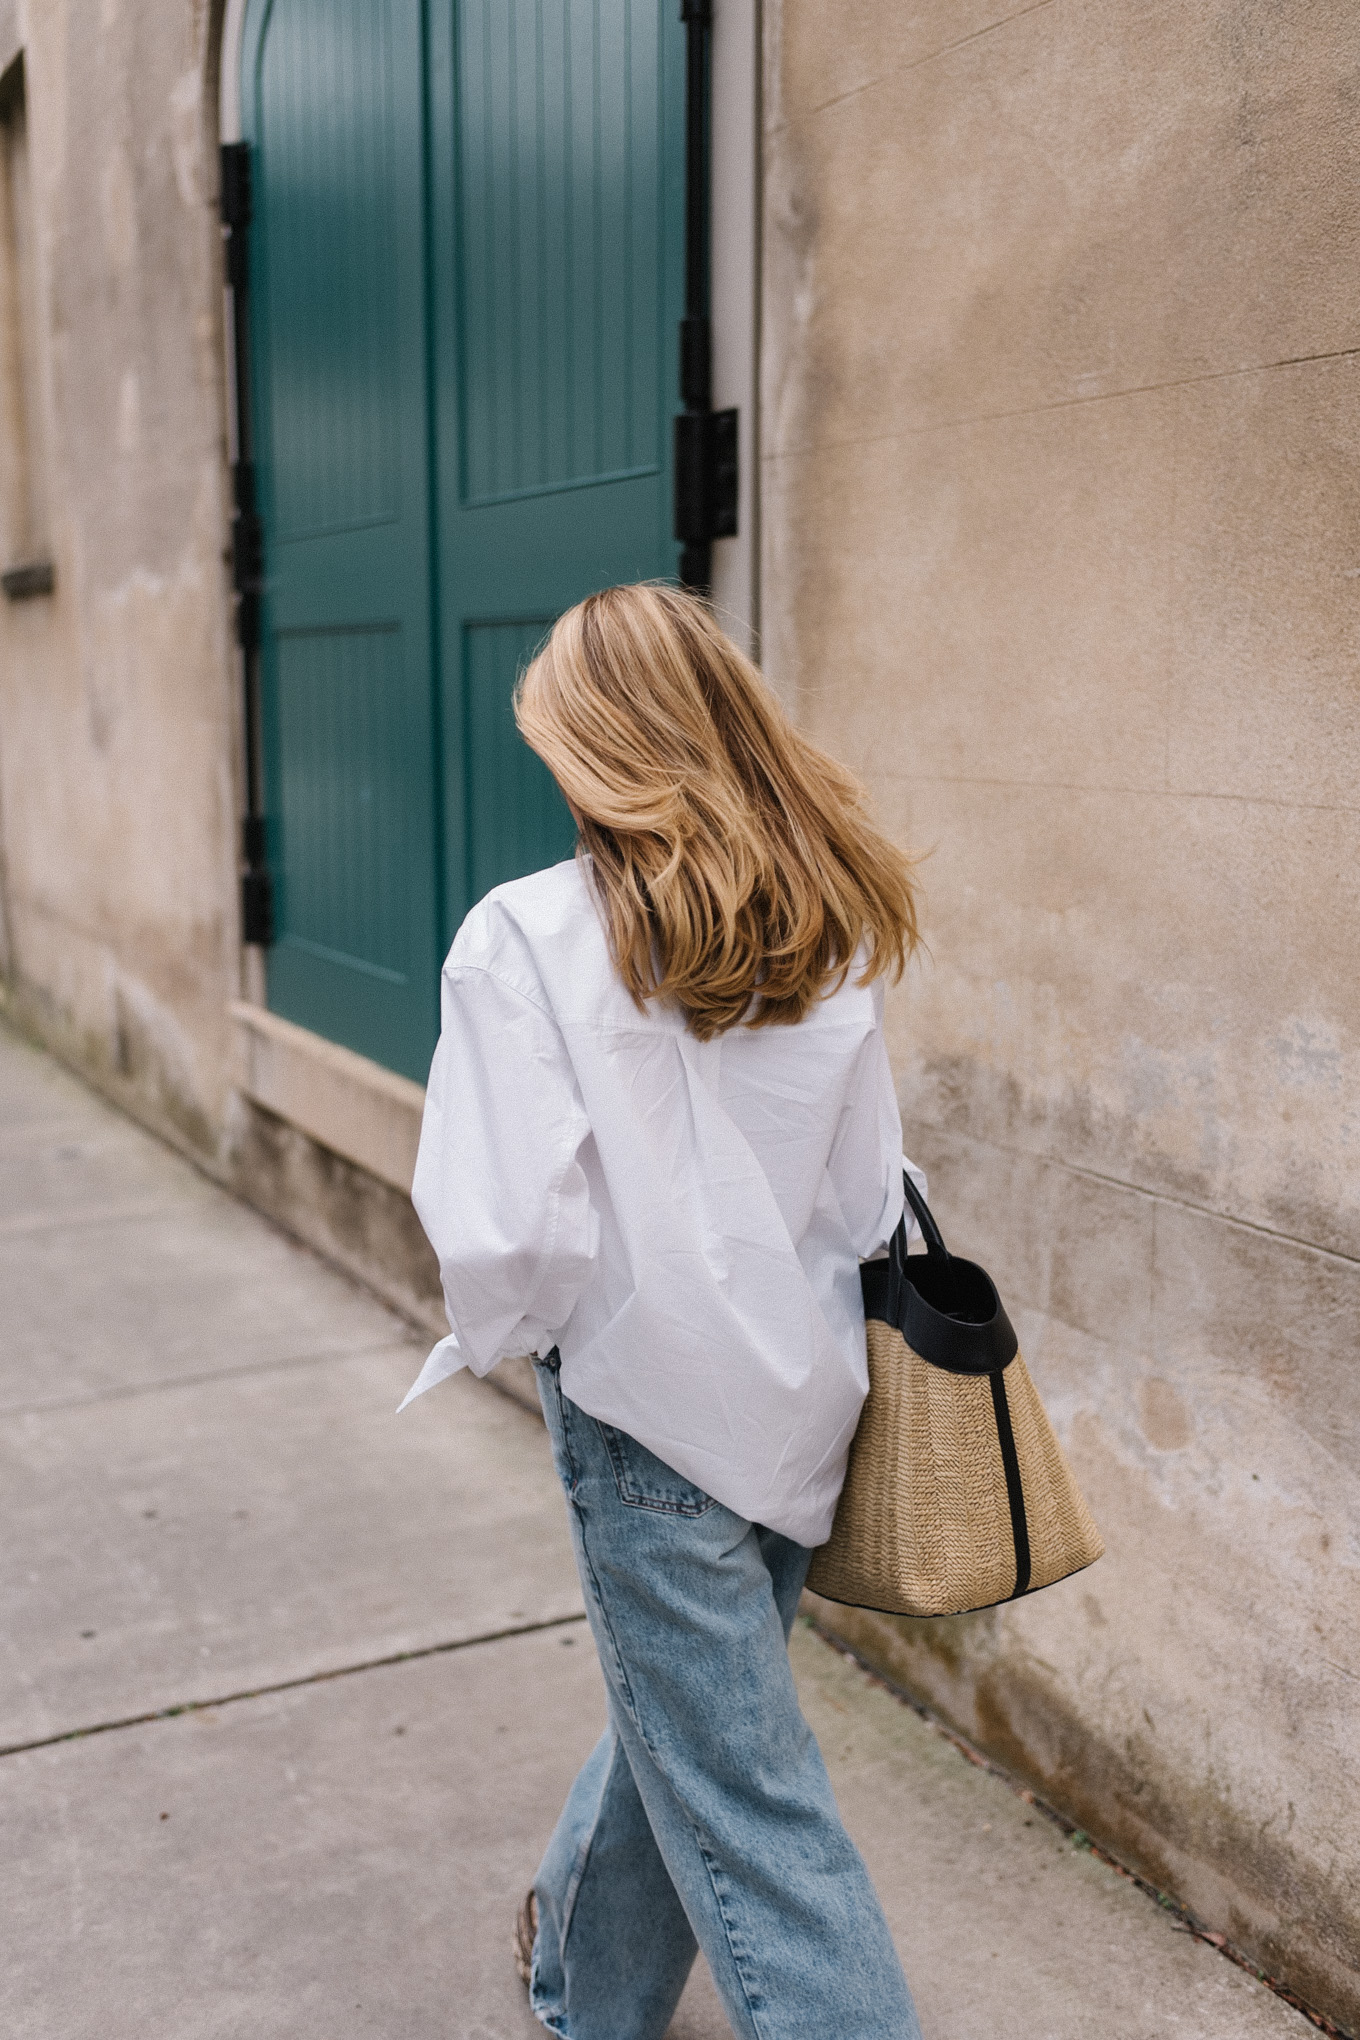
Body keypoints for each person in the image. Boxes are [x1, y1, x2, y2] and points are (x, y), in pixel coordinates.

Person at [402, 583, 926, 2040]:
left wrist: (509, 1334)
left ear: (600, 748)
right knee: (694, 1734)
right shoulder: (827, 920)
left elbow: (509, 1234)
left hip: (643, 1411)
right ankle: (589, 1987)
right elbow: (867, 1191)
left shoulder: (525, 937)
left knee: (754, 1809)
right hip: (803, 1392)